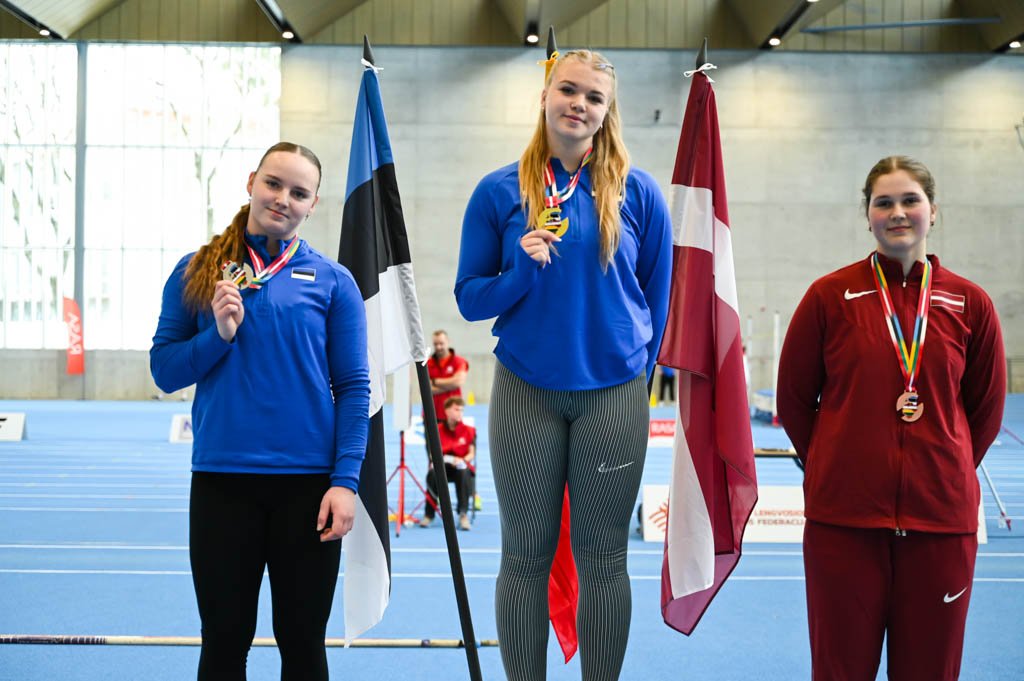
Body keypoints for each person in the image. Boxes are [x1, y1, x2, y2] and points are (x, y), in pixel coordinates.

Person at [455, 48, 672, 681]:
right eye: (568, 90)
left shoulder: (639, 193)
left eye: (594, 97)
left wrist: (637, 379)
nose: (579, 104)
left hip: (615, 395)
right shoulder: (499, 191)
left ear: (607, 112)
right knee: (525, 557)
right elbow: (470, 298)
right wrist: (520, 271)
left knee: (604, 559)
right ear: (546, 96)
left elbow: (658, 299)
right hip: (526, 392)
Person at [777, 155, 1006, 681]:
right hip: (844, 525)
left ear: (933, 211)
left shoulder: (970, 303)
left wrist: (943, 468)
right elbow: (794, 400)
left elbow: (986, 410)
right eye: (883, 202)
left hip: (940, 526)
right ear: (868, 215)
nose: (897, 212)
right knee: (839, 670)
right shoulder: (829, 296)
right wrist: (837, 462)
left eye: (910, 200)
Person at [150, 142, 370, 681]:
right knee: (224, 644)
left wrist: (345, 482)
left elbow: (354, 388)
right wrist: (219, 336)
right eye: (273, 184)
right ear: (251, 182)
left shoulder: (333, 281)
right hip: (223, 484)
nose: (282, 199)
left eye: (298, 192)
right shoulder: (196, 271)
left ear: (312, 205)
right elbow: (165, 371)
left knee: (303, 644)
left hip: (309, 490)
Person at [420, 396, 476, 531]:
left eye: (461, 410)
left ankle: (463, 514)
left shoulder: (469, 430)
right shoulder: (436, 430)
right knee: (433, 473)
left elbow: (471, 453)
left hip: (461, 466)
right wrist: (448, 459)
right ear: (447, 411)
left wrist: (462, 460)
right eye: (456, 409)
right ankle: (429, 514)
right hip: (442, 464)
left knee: (463, 473)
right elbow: (432, 454)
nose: (460, 413)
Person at [426, 329, 469, 423]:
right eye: (435, 344)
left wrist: (434, 381)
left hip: (453, 416)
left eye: (441, 343)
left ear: (448, 341)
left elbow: (458, 382)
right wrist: (450, 385)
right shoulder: (427, 364)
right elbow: (425, 389)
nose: (438, 347)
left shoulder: (459, 362)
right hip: (431, 414)